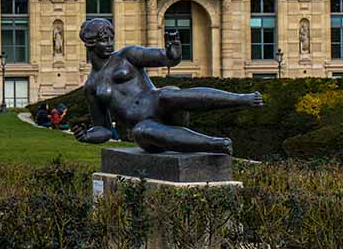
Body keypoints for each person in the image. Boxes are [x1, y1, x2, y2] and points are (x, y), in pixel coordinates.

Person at [71, 19, 262, 153]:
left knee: (167, 95)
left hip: (161, 106)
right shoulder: (91, 86)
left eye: (111, 38)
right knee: (141, 131)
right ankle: (216, 144)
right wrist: (87, 136)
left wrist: (173, 52)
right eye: (104, 40)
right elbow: (103, 128)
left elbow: (165, 58)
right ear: (90, 44)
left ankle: (241, 98)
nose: (110, 44)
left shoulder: (127, 55)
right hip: (145, 128)